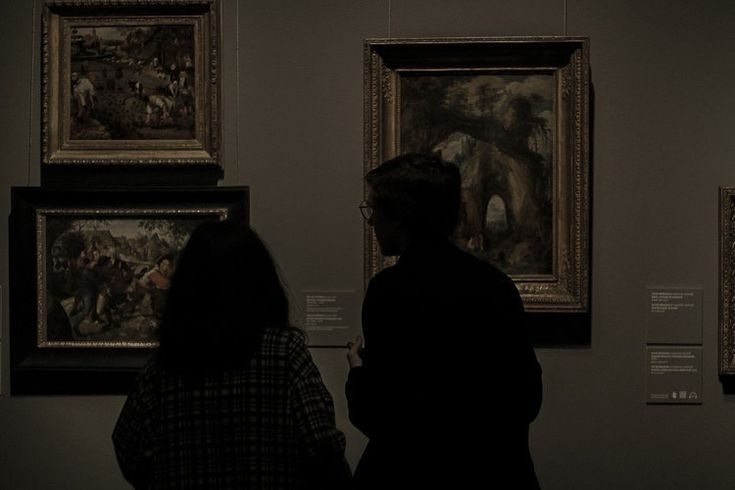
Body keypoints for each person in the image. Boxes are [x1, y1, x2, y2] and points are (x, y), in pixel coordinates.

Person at [346, 153, 542, 489]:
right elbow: (527, 396)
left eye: (376, 210)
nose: (372, 221)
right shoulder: (495, 285)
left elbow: (381, 416)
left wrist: (358, 373)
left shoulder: (389, 291)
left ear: (402, 217)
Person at [113, 220, 351, 489]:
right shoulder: (285, 353)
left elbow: (129, 449)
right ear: (260, 282)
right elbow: (321, 447)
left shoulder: (166, 365)